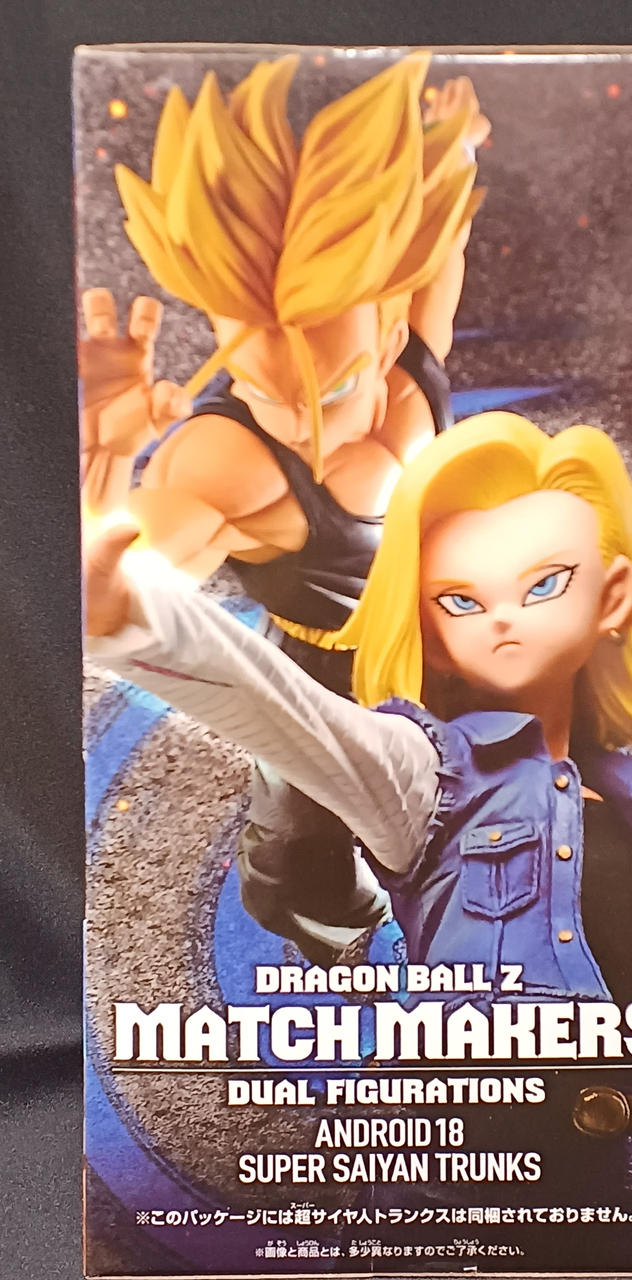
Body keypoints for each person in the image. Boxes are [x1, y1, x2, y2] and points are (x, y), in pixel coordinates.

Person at [85, 411, 632, 1271]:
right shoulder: (428, 773)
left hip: (614, 1203)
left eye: (544, 585)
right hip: (454, 1205)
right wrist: (134, 617)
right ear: (429, 624)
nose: (503, 620)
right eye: (460, 600)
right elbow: (288, 712)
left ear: (614, 594)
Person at [79, 54, 490, 958]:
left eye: (328, 383)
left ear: (385, 325)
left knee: (509, 813)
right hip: (318, 683)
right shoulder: (229, 459)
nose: (299, 415)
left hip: (443, 641)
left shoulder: (407, 367)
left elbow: (437, 254)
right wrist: (101, 461)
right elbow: (119, 576)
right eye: (263, 384)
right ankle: (346, 957)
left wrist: (450, 155)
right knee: (298, 867)